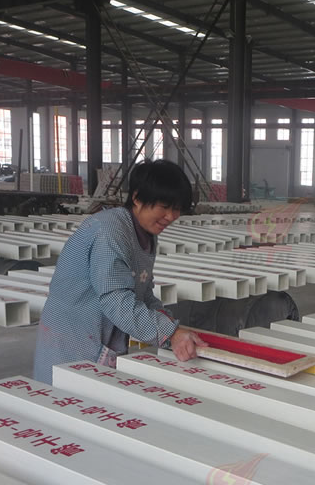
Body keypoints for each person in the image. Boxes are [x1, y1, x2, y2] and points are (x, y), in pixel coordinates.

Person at [33, 159, 206, 384]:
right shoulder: (110, 232)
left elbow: (142, 294)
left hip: (101, 338)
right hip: (72, 340)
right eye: (164, 207)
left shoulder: (145, 234)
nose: (171, 216)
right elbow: (116, 300)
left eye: (177, 209)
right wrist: (169, 333)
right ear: (137, 197)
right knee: (68, 398)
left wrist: (171, 328)